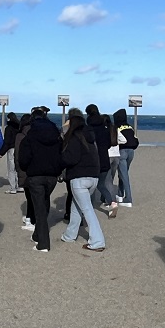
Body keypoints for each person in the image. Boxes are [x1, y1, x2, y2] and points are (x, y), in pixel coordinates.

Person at [18, 108, 64, 252]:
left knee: (39, 209)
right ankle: (37, 234)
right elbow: (61, 154)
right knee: (44, 203)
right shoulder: (56, 136)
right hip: (52, 176)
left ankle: (43, 244)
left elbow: (23, 159)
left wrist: (28, 168)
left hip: (36, 175)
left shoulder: (30, 136)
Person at [59, 114, 106, 252]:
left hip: (79, 179)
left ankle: (98, 241)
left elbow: (70, 159)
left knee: (87, 210)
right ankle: (69, 235)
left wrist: (60, 159)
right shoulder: (90, 138)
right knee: (76, 207)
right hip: (93, 178)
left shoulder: (74, 138)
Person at [113, 108, 139, 208]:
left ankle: (128, 199)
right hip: (131, 152)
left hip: (122, 151)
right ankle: (120, 194)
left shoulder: (117, 127)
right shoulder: (130, 127)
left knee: (124, 175)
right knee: (123, 173)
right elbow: (135, 139)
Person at [14, 113, 34, 231]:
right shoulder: (35, 133)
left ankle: (30, 219)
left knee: (29, 196)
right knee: (34, 196)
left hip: (24, 168)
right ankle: (30, 217)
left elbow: (17, 155)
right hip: (35, 168)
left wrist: (18, 169)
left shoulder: (20, 135)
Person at [0, 112, 21, 193]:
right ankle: (19, 186)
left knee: (11, 169)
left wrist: (1, 152)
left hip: (11, 149)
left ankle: (13, 188)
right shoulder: (19, 127)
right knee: (18, 168)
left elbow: (7, 142)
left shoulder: (9, 128)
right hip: (19, 149)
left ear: (8, 119)